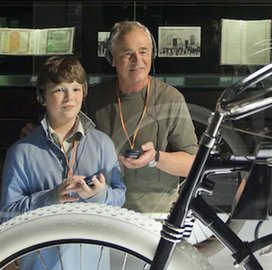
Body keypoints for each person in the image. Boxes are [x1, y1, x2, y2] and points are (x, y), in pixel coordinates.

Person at [1, 55, 126, 269]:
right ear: (42, 96)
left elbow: (120, 197)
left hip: (92, 262)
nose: (70, 97)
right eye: (59, 90)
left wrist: (99, 195)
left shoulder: (103, 144)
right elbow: (7, 215)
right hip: (41, 264)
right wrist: (51, 197)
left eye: (76, 89)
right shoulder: (21, 152)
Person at [86, 21, 198, 213]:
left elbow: (192, 164)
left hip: (154, 214)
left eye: (143, 51)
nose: (137, 60)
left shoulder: (170, 98)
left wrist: (155, 157)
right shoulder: (93, 99)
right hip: (103, 210)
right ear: (112, 58)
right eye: (127, 53)